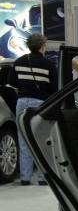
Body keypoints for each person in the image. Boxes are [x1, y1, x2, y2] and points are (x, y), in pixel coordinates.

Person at [7, 33, 58, 186]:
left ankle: (25, 178)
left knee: (23, 139)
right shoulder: (49, 64)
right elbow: (55, 88)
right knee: (41, 140)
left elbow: (11, 82)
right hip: (40, 104)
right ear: (42, 46)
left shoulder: (20, 61)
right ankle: (42, 178)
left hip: (22, 102)